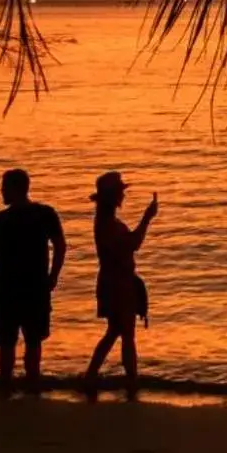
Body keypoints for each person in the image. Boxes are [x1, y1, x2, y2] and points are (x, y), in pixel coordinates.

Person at [0, 168, 65, 389]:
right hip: (33, 288)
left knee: (9, 344)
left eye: (5, 187)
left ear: (17, 189)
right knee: (31, 342)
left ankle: (8, 388)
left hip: (9, 290)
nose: (1, 192)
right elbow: (60, 246)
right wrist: (53, 275)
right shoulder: (44, 214)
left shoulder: (0, 220)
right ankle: (30, 386)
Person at [84, 169, 156, 399]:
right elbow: (133, 243)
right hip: (117, 284)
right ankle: (130, 380)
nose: (123, 196)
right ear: (113, 197)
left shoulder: (106, 222)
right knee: (125, 334)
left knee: (115, 332)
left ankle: (92, 375)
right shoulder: (108, 225)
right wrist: (147, 217)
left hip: (115, 282)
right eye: (120, 192)